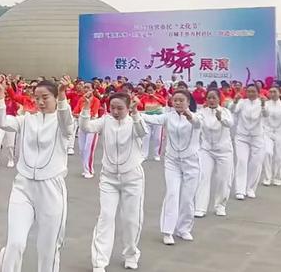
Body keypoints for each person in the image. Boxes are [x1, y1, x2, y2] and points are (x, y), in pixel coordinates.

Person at [0, 77, 74, 272]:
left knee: (48, 249)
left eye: (45, 97)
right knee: (15, 243)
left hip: (50, 189)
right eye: (37, 97)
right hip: (23, 187)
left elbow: (67, 123)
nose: (40, 102)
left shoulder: (63, 123)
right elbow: (2, 121)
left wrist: (64, 98)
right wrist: (0, 95)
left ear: (56, 98)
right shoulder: (27, 120)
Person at [80, 91, 148, 272]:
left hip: (132, 178)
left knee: (131, 219)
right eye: (113, 108)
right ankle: (99, 262)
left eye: (120, 108)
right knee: (106, 217)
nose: (116, 112)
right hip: (109, 178)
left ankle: (131, 254)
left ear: (128, 108)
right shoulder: (105, 121)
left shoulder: (134, 122)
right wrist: (86, 108)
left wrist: (135, 114)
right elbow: (86, 127)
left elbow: (143, 132)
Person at [143, 90, 201, 245]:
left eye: (181, 100)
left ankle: (183, 229)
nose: (178, 103)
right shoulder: (168, 116)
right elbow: (151, 119)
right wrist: (134, 112)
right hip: (172, 162)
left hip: (192, 162)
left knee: (188, 197)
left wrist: (189, 114)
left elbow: (197, 123)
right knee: (172, 194)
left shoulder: (196, 116)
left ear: (188, 102)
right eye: (175, 100)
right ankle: (168, 231)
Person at [194, 89, 233, 218]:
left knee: (223, 179)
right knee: (203, 176)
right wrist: (188, 115)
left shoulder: (225, 111)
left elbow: (230, 124)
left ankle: (220, 205)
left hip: (224, 151)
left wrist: (220, 118)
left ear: (219, 99)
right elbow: (196, 121)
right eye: (209, 98)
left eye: (214, 98)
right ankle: (200, 207)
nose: (211, 100)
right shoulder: (202, 112)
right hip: (206, 150)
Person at [230, 84, 267, 200]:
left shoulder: (262, 102)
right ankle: (240, 190)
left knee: (255, 163)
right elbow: (232, 110)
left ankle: (250, 188)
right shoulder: (242, 102)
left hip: (257, 137)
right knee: (241, 161)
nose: (251, 94)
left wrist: (263, 105)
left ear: (258, 92)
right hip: (242, 136)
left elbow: (266, 115)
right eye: (249, 91)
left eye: (253, 92)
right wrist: (235, 102)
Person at [73, 82, 101, 179]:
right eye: (84, 87)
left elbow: (93, 114)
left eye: (88, 88)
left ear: (93, 90)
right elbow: (74, 112)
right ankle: (87, 168)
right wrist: (82, 114)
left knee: (88, 149)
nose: (85, 89)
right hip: (82, 126)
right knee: (81, 149)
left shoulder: (96, 100)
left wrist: (82, 114)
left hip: (92, 126)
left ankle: (88, 170)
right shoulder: (81, 100)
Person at [262, 86, 281, 187]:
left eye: (274, 92)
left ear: (280, 93)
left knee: (279, 157)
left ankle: (277, 177)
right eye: (270, 92)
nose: (272, 93)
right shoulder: (267, 103)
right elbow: (264, 114)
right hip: (268, 131)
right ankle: (267, 177)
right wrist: (263, 106)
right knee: (267, 153)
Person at [139, 83, 167, 161]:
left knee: (157, 138)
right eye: (148, 90)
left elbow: (164, 103)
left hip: (158, 118)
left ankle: (156, 154)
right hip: (147, 118)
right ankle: (144, 155)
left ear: (155, 90)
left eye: (151, 90)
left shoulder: (159, 96)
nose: (150, 92)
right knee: (145, 137)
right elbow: (140, 107)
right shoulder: (144, 98)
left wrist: (155, 97)